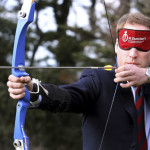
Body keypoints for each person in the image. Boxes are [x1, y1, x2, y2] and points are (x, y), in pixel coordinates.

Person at [7, 12, 150, 150]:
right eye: (127, 46)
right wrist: (33, 90)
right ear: (117, 46)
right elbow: (68, 96)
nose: (133, 54)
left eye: (141, 47)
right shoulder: (99, 80)